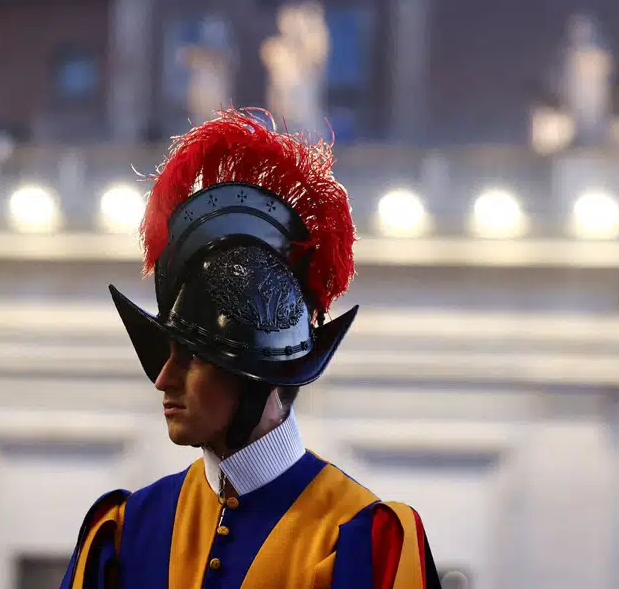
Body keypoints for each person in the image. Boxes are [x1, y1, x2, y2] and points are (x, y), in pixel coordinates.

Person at [59, 109, 443, 589]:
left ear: (256, 377)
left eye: (193, 357)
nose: (163, 378)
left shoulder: (361, 543)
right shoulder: (125, 531)